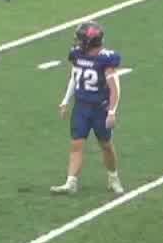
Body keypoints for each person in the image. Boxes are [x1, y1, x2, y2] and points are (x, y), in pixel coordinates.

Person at [52, 21, 124, 196]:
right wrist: (65, 100)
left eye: (80, 39)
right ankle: (71, 182)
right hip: (81, 107)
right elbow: (74, 77)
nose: (77, 42)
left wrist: (112, 112)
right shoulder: (77, 55)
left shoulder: (105, 59)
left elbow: (115, 88)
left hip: (100, 109)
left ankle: (113, 177)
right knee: (76, 144)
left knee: (106, 145)